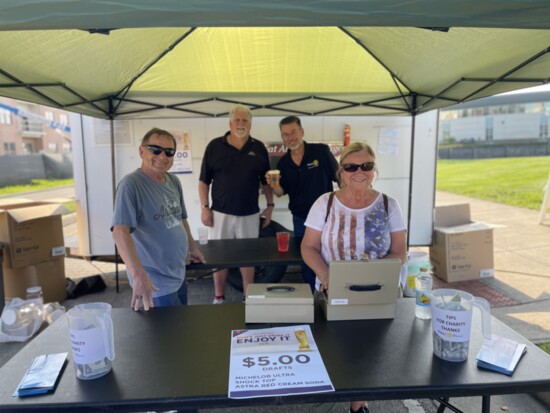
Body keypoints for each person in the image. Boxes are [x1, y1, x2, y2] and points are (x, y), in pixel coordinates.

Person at [301, 141, 407, 413]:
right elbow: (308, 246)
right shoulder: (325, 203)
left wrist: (372, 272)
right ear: (341, 171)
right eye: (351, 166)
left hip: (377, 291)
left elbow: (399, 252)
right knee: (333, 349)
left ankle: (358, 404)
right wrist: (325, 275)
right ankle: (331, 391)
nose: (359, 171)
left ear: (374, 169)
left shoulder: (389, 205)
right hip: (333, 290)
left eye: (366, 165)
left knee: (369, 352)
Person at [112, 127, 205, 311]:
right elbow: (120, 232)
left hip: (177, 274)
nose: (162, 156)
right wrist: (138, 275)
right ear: (141, 151)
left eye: (169, 152)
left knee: (179, 330)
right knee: (165, 335)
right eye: (156, 149)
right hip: (155, 282)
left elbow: (181, 218)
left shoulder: (173, 181)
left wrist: (192, 247)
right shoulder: (131, 185)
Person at [199, 104, 274, 303]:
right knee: (219, 258)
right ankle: (219, 297)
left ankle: (247, 297)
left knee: (247, 258)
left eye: (245, 121)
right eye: (237, 120)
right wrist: (204, 208)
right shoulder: (214, 146)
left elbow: (266, 181)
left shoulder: (258, 148)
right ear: (230, 122)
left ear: (251, 124)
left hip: (250, 213)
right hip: (220, 213)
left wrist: (270, 205)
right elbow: (203, 181)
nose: (241, 124)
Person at [266, 115, 338, 291]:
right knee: (307, 260)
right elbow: (281, 193)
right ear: (282, 137)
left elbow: (339, 177)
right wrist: (273, 183)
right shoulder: (283, 163)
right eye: (286, 134)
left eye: (293, 132)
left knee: (331, 256)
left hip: (327, 218)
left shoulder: (320, 152)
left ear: (302, 132)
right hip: (301, 220)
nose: (290, 138)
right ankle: (312, 295)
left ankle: (332, 293)